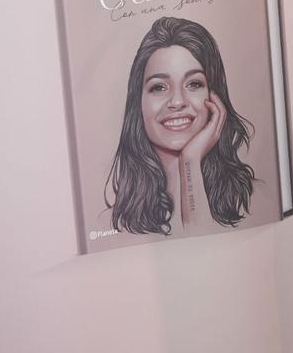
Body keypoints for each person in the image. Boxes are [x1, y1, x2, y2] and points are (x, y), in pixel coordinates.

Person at [105, 16, 256, 237]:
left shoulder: (256, 198)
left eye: (194, 84)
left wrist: (191, 161)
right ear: (138, 103)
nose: (177, 101)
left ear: (215, 97)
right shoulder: (112, 222)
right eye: (158, 87)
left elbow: (202, 247)